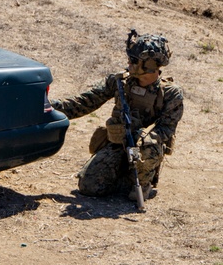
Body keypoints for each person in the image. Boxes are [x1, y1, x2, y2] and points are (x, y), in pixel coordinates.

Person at [51, 30, 184, 201]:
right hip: (117, 143)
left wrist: (143, 138)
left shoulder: (171, 93)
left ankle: (144, 183)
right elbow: (85, 102)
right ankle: (123, 174)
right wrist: (51, 108)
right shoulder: (120, 81)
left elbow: (167, 128)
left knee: (147, 147)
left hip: (145, 149)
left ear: (150, 65)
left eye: (134, 60)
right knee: (89, 187)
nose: (129, 63)